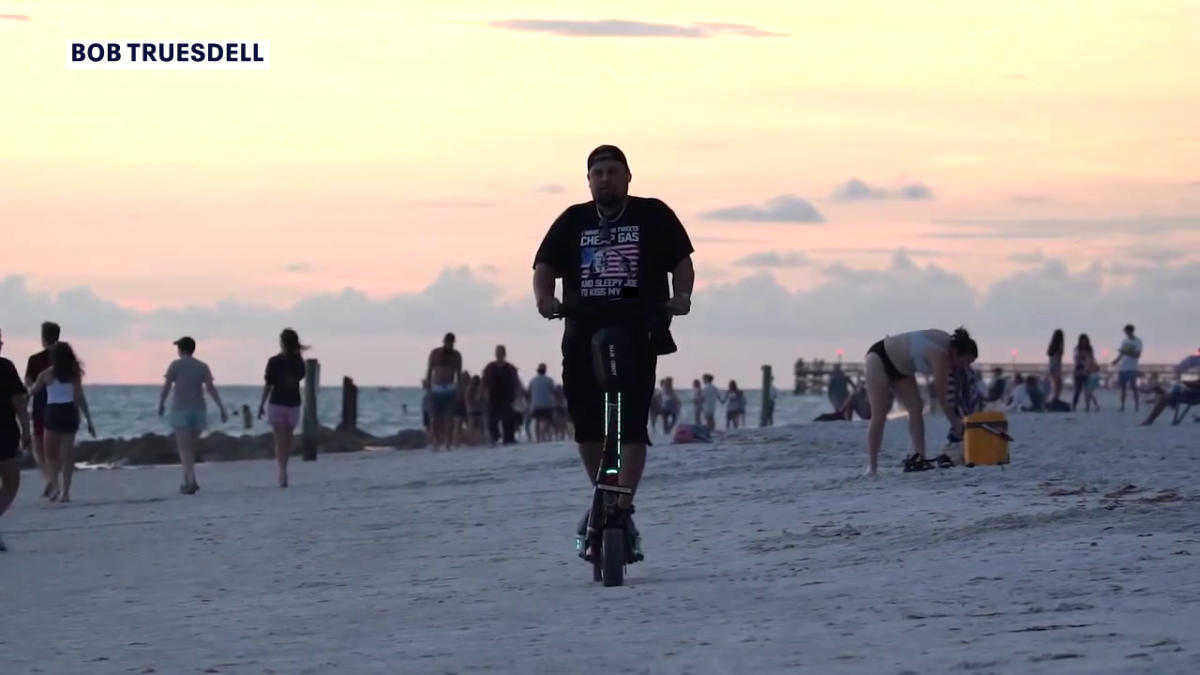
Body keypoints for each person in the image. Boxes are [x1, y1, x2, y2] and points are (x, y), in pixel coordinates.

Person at [532, 144, 694, 562]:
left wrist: (682, 295)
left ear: (627, 177)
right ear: (589, 181)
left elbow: (681, 261)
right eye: (597, 173)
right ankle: (604, 497)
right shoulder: (572, 221)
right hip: (582, 333)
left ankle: (622, 509)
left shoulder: (654, 214)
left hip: (638, 331)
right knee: (587, 427)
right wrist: (545, 298)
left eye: (612, 171)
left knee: (632, 427)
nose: (605, 179)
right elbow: (545, 266)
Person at [862, 328, 979, 475]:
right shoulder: (940, 357)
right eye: (966, 362)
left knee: (916, 407)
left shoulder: (949, 345)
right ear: (956, 353)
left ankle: (920, 456)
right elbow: (942, 397)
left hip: (902, 369)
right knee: (879, 415)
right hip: (879, 358)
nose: (965, 366)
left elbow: (952, 391)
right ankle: (872, 467)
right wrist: (955, 423)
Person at [158, 337, 228, 494]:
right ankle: (185, 482)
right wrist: (221, 407)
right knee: (189, 449)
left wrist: (161, 403)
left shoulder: (175, 365)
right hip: (198, 411)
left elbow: (167, 386)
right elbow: (210, 388)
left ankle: (192, 481)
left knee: (184, 450)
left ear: (181, 349)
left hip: (180, 410)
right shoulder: (202, 366)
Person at [28, 342, 96, 502]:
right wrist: (89, 421)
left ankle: (55, 487)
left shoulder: (46, 374)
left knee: (50, 455)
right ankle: (65, 493)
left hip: (53, 413)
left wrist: (27, 387)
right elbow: (80, 398)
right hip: (69, 412)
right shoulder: (74, 375)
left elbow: (33, 392)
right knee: (67, 455)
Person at [258, 328, 307, 488]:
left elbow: (268, 385)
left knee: (280, 441)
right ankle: (284, 470)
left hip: (277, 403)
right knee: (288, 440)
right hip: (293, 404)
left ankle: (282, 471)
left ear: (282, 343)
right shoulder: (298, 362)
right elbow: (300, 377)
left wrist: (261, 404)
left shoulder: (274, 361)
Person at [1, 328, 33, 551]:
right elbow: (19, 402)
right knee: (11, 481)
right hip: (3, 431)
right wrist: (27, 431)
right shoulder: (5, 367)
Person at [24, 321, 59, 498]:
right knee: (56, 447)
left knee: (38, 447)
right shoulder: (64, 359)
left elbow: (28, 383)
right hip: (60, 406)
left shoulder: (34, 359)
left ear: (43, 338)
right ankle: (53, 480)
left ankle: (49, 479)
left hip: (40, 405)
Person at [1139, 349, 1200, 426]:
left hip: (1194, 393)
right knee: (1165, 397)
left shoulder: (1192, 359)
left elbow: (1178, 370)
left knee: (1167, 394)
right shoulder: (1192, 359)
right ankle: (1150, 420)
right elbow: (1178, 370)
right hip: (1190, 392)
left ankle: (1151, 416)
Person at [424, 332, 462, 451]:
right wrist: (428, 385)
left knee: (449, 417)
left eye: (451, 342)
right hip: (437, 387)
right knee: (435, 417)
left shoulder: (456, 355)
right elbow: (430, 370)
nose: (449, 344)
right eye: (447, 341)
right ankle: (436, 442)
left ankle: (448, 443)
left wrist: (459, 390)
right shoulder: (435, 353)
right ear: (444, 341)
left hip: (450, 387)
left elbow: (459, 373)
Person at [481, 345, 519, 445]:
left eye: (501, 352)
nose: (499, 354)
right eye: (498, 352)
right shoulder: (490, 367)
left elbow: (515, 382)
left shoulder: (510, 367)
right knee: (491, 420)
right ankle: (495, 437)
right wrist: (485, 393)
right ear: (495, 353)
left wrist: (516, 394)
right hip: (493, 397)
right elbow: (484, 382)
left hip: (507, 396)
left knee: (508, 419)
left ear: (504, 353)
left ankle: (509, 438)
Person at [1113, 324, 1143, 412]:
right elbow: (1121, 353)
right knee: (1123, 388)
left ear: (1131, 331)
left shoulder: (1138, 342)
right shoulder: (1124, 341)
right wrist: (1116, 360)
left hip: (1132, 368)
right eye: (1125, 332)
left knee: (1133, 387)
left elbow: (1137, 356)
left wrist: (1126, 352)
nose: (1126, 334)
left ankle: (1136, 406)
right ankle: (1122, 406)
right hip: (1123, 368)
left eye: (1127, 332)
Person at [527, 363, 556, 442]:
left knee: (537, 420)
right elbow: (554, 391)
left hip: (535, 405)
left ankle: (537, 437)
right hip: (547, 404)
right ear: (545, 371)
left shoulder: (532, 381)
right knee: (546, 420)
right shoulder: (549, 380)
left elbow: (528, 392)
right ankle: (542, 434)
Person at [1072, 334, 1097, 412]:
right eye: (1083, 341)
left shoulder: (1089, 349)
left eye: (1085, 341)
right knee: (1078, 390)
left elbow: (1092, 359)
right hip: (1078, 371)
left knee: (1088, 390)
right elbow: (1076, 359)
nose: (1084, 343)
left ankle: (1090, 406)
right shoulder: (1077, 349)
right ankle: (1074, 406)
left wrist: (1092, 366)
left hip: (1087, 371)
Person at [1047, 329, 1065, 404]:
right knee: (1058, 385)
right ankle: (1055, 399)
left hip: (1053, 367)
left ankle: (1055, 398)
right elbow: (1058, 360)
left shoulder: (1052, 346)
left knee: (1057, 385)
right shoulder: (1059, 347)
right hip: (1056, 367)